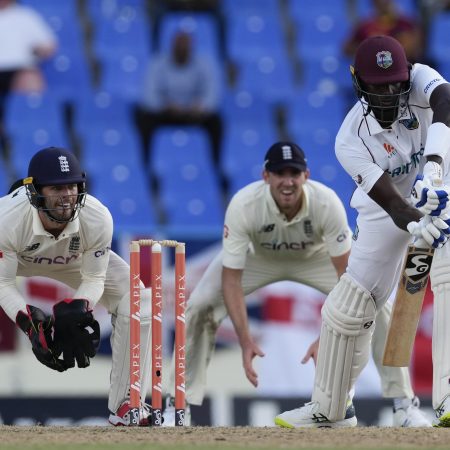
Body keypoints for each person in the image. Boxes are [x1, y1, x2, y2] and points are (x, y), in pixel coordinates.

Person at [162, 141, 431, 427]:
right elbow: (231, 280)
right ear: (266, 177)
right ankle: (177, 406)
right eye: (280, 173)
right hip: (259, 257)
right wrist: (244, 339)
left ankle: (404, 405)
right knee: (199, 306)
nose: (287, 181)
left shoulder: (326, 202)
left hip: (314, 258)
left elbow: (347, 277)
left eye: (294, 173)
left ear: (306, 175)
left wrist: (328, 339)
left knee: (374, 305)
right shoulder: (244, 204)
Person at [275, 35, 450, 428]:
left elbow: (447, 101)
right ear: (358, 83)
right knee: (349, 307)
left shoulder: (422, 79)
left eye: (394, 85)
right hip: (389, 206)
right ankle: (329, 411)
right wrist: (418, 220)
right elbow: (392, 205)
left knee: (447, 270)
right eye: (377, 86)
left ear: (406, 78)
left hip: (443, 182)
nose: (388, 94)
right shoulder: (349, 139)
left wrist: (435, 172)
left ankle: (447, 396)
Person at [0, 147, 152, 426]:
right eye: (57, 188)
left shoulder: (96, 216)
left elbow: (94, 278)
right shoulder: (6, 219)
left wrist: (79, 307)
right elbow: (3, 283)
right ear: (35, 192)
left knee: (138, 297)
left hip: (72, 258)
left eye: (71, 185)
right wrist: (28, 322)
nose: (67, 195)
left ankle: (127, 406)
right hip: (16, 257)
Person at [134, 30, 222, 165]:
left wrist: (201, 106)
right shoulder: (157, 64)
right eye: (178, 46)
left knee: (216, 122)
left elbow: (212, 94)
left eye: (185, 46)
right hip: (166, 113)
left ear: (191, 48)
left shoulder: (203, 65)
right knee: (143, 119)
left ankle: (215, 165)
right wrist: (165, 106)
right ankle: (146, 165)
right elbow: (149, 96)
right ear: (172, 47)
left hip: (194, 114)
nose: (181, 49)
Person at [0, 0, 57, 122]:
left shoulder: (26, 16)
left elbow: (49, 46)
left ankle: (33, 128)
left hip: (20, 70)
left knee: (31, 81)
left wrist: (39, 50)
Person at [343, 0, 425, 64]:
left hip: (403, 70)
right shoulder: (365, 26)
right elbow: (347, 49)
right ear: (374, 3)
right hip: (374, 71)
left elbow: (416, 49)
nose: (383, 3)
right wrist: (368, 47)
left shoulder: (406, 24)